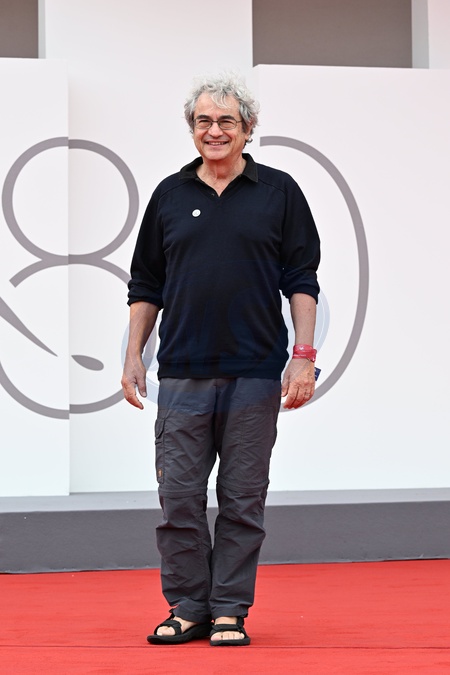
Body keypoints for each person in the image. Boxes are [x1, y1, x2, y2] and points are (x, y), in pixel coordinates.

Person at [121, 73, 320, 646]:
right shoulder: (169, 195)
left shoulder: (280, 192)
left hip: (255, 373)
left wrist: (303, 356)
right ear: (192, 129)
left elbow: (302, 279)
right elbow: (146, 284)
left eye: (226, 120)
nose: (214, 130)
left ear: (248, 128)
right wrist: (133, 355)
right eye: (203, 121)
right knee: (179, 498)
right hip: (182, 372)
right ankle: (189, 606)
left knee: (242, 500)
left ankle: (230, 608)